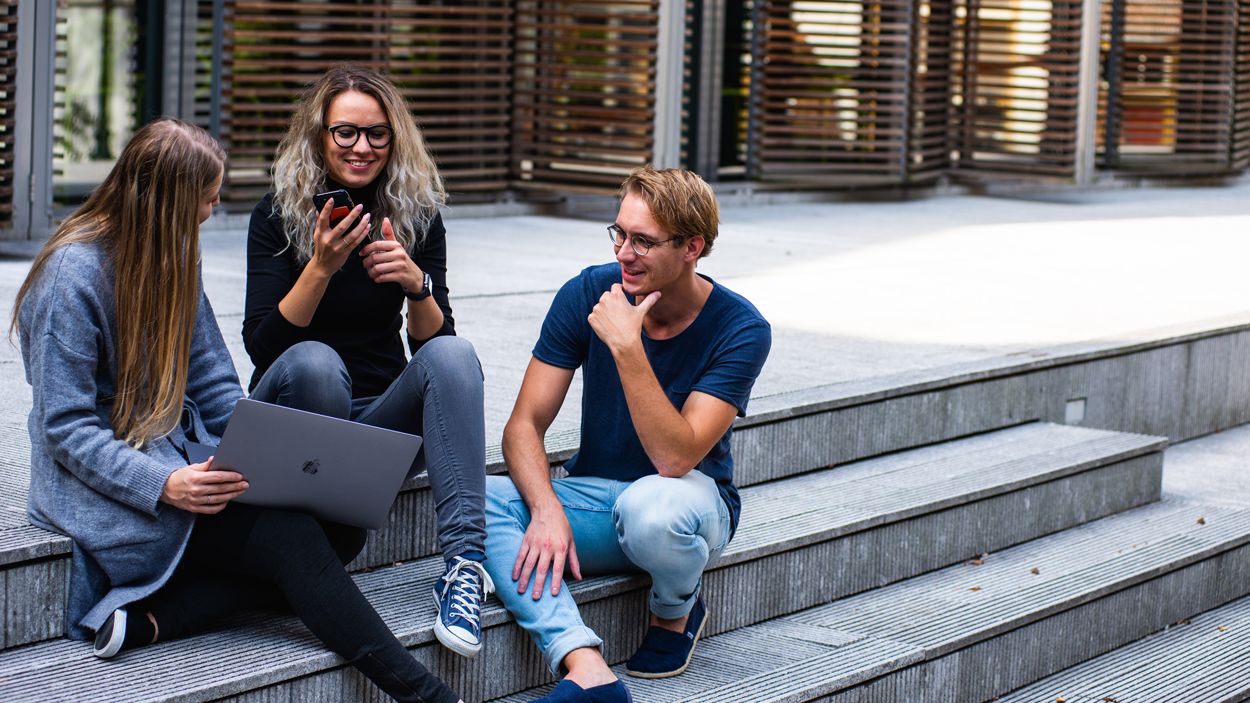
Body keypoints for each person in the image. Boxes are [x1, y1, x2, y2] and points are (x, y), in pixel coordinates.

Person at [12, 119, 461, 703]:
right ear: (165, 200)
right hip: (108, 485)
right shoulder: (69, 278)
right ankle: (427, 695)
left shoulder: (172, 254)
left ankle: (160, 617)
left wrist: (269, 447)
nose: (213, 209)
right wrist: (165, 483)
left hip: (183, 458)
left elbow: (215, 382)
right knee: (293, 537)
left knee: (339, 524)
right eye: (206, 198)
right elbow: (66, 429)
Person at [482, 167, 772, 702]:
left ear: (692, 247)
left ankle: (675, 612)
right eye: (619, 233)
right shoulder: (589, 291)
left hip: (687, 504)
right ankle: (585, 667)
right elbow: (523, 425)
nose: (624, 253)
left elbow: (675, 458)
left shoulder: (741, 328)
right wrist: (546, 510)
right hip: (595, 497)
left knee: (653, 509)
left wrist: (627, 346)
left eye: (643, 240)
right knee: (481, 499)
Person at [242, 65, 491, 658]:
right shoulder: (276, 215)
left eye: (377, 134)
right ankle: (310, 545)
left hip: (376, 429)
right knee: (316, 364)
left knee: (456, 355)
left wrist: (417, 285)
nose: (362, 147)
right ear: (319, 136)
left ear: (395, 138)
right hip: (297, 416)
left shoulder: (416, 214)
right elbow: (264, 347)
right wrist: (321, 267)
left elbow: (436, 352)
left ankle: (463, 569)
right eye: (345, 132)